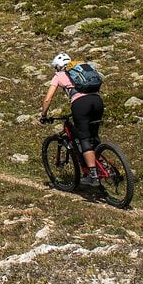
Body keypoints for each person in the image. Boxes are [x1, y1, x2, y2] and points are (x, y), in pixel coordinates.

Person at [41, 52, 104, 186]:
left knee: (84, 138)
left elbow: (48, 99)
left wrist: (44, 115)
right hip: (97, 101)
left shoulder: (59, 75)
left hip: (80, 104)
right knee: (93, 135)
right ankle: (102, 164)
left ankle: (93, 176)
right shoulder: (83, 69)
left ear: (57, 66)